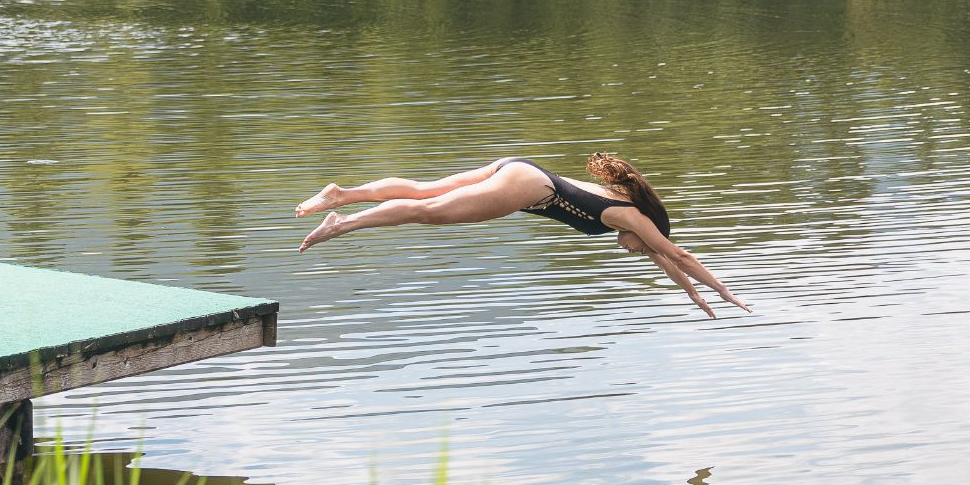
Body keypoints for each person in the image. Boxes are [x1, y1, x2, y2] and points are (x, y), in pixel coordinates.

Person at [296, 153, 747, 318]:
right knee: (429, 212)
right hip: (527, 188)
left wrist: (696, 299)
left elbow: (668, 263)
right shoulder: (633, 221)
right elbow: (679, 255)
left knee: (424, 189)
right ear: (650, 231)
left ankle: (340, 195)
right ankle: (343, 224)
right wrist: (726, 293)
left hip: (522, 167)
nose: (629, 252)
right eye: (639, 248)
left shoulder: (628, 210)